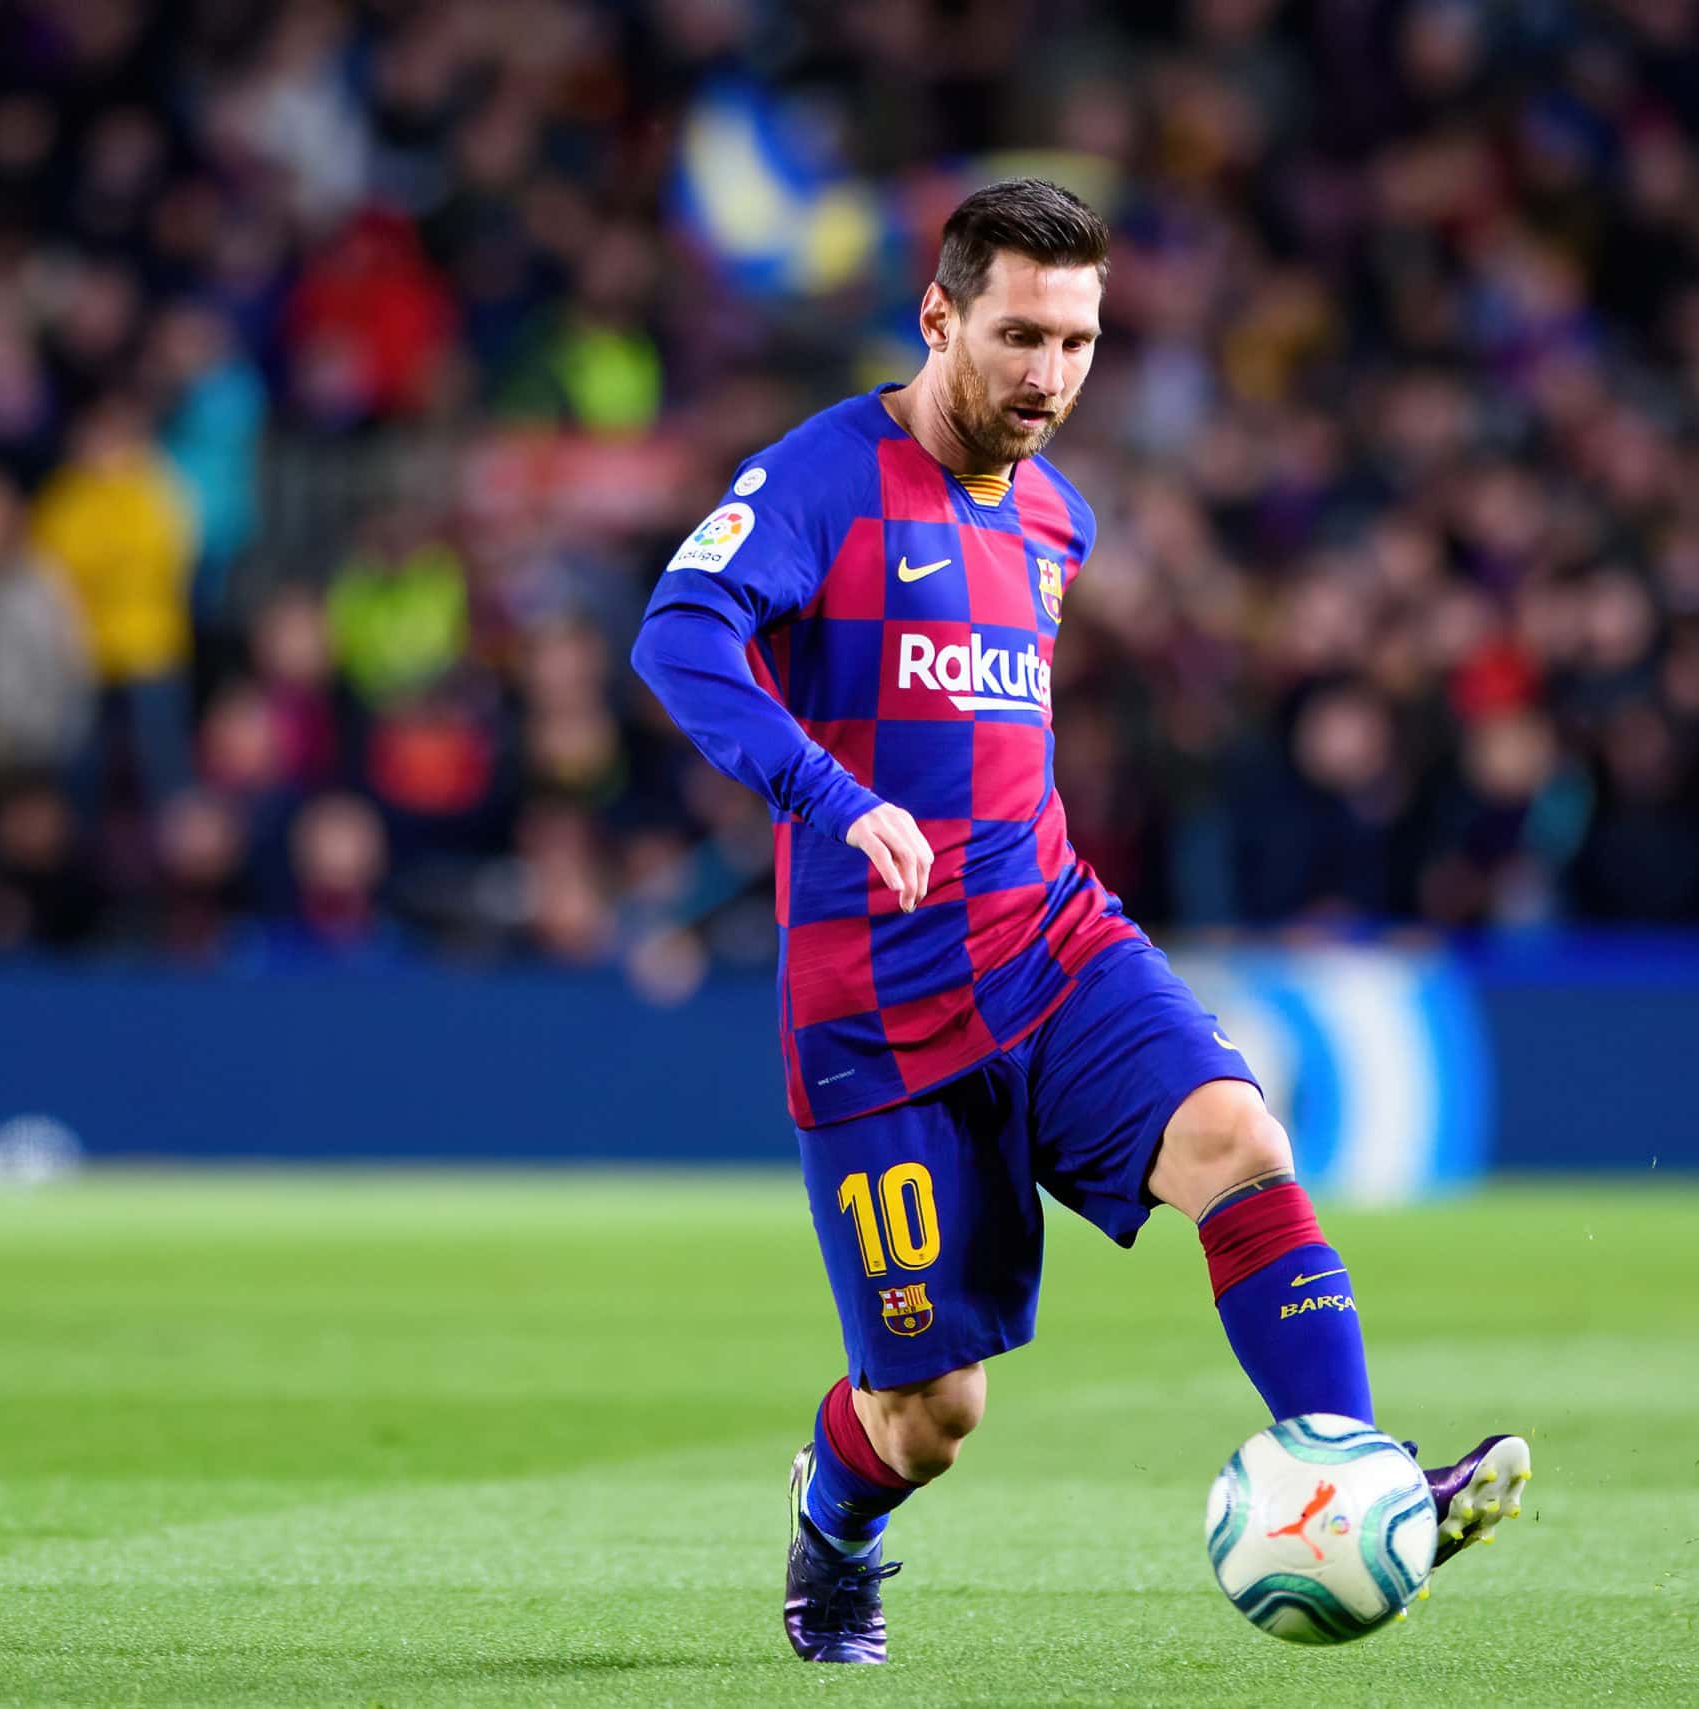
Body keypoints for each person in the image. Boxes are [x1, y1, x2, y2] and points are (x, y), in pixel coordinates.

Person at [628, 179, 1529, 1666]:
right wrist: (830, 796)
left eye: (1080, 341)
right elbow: (679, 634)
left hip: (1051, 942)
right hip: (877, 1009)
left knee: (1239, 1135)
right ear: (938, 317)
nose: (1051, 375)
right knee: (933, 1415)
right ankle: (836, 1524)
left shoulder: (1057, 517)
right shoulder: (817, 481)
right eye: (1020, 335)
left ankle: (1358, 1471)